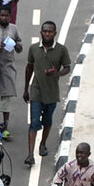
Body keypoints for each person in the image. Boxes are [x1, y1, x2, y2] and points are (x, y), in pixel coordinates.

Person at [23, 20, 72, 166]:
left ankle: (43, 143)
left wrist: (57, 73)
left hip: (51, 92)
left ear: (55, 33)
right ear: (41, 33)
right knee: (34, 122)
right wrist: (26, 89)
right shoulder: (33, 49)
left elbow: (67, 68)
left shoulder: (61, 50)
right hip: (36, 91)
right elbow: (29, 67)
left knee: (47, 121)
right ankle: (30, 154)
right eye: (45, 31)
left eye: (50, 31)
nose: (47, 34)